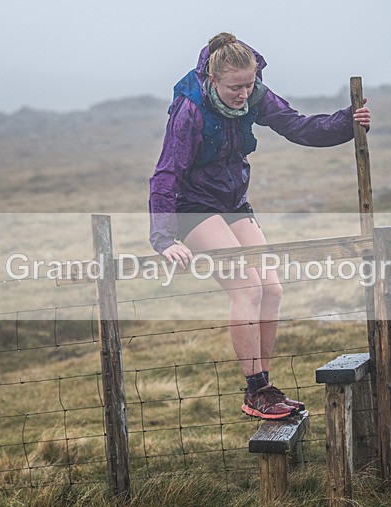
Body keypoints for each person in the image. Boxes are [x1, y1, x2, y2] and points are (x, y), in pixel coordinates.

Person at [149, 32, 371, 420]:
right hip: (192, 208)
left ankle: (264, 386)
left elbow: (298, 127)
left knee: (271, 287)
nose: (244, 93)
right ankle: (255, 390)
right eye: (236, 87)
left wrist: (347, 123)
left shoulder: (255, 95)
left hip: (233, 203)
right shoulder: (190, 109)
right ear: (213, 79)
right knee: (246, 287)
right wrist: (164, 237)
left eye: (250, 84)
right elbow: (166, 173)